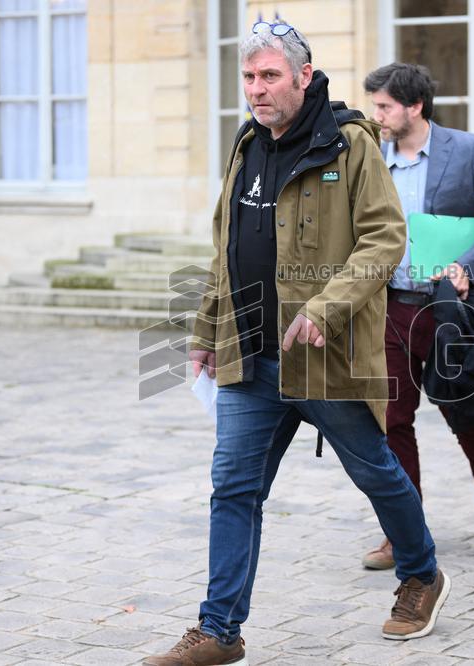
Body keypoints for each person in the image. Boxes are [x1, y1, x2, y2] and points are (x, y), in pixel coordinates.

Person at [143, 23, 450, 666]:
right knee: (233, 488)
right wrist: (203, 331)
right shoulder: (246, 142)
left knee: (375, 472)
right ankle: (219, 631)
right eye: (249, 78)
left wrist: (325, 308)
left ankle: (421, 574)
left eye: (270, 77)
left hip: (322, 357)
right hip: (248, 357)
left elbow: (384, 240)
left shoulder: (350, 143)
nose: (256, 90)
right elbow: (225, 248)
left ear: (303, 77)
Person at [359, 63, 474, 571]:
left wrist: (469, 265)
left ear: (415, 107)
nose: (376, 116)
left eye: (384, 107)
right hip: (389, 307)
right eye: (374, 106)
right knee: (391, 419)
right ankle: (403, 530)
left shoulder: (469, 151)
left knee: (467, 413)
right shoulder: (368, 155)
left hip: (452, 309)